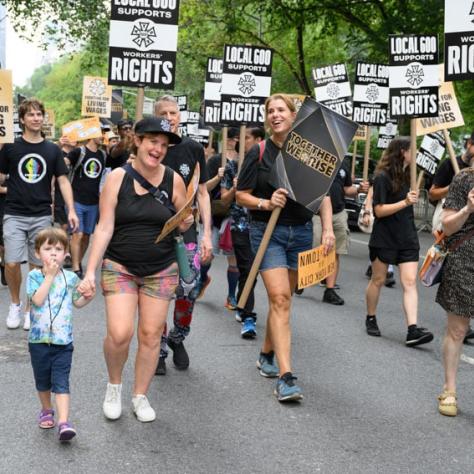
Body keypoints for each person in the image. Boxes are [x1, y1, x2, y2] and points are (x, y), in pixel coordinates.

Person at [80, 117, 193, 422]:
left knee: (151, 334)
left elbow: (185, 218)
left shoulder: (173, 180)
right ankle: (114, 386)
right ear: (139, 141)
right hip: (120, 266)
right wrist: (89, 272)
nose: (158, 149)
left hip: (162, 268)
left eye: (164, 145)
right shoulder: (117, 177)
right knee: (120, 333)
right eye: (153, 142)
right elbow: (104, 227)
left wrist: (187, 221)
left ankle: (139, 396)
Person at [236, 93, 335, 402]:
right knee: (279, 298)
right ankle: (286, 376)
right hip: (267, 232)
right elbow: (241, 195)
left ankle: (266, 353)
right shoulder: (259, 152)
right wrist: (266, 202)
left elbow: (325, 196)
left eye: (281, 110)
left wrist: (328, 231)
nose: (275, 114)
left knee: (284, 302)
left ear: (294, 117)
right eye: (270, 110)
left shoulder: (308, 153)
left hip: (302, 233)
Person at [0, 98, 79, 331]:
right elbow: (1, 176)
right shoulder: (11, 148)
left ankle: (29, 309)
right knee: (12, 262)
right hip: (14, 212)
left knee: (37, 265)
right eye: (31, 114)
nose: (36, 118)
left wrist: (71, 209)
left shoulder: (52, 149)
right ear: (22, 119)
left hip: (42, 214)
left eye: (39, 114)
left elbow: (63, 181)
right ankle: (14, 304)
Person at [154, 95, 212, 374]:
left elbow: (202, 193)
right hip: (155, 234)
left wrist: (208, 235)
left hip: (187, 233)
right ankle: (159, 349)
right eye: (163, 113)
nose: (169, 116)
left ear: (180, 115)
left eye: (173, 112)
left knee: (188, 288)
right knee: (158, 292)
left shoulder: (192, 148)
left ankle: (178, 337)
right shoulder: (152, 148)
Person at [364, 137, 433, 346]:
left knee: (410, 282)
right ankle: (371, 317)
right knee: (378, 280)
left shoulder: (410, 176)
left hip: (408, 237)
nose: (417, 154)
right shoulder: (382, 177)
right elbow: (379, 211)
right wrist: (405, 202)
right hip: (385, 237)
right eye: (414, 150)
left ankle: (412, 329)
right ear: (403, 151)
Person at [27, 227, 92, 441]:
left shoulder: (71, 278)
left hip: (63, 341)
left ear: (66, 254)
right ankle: (46, 410)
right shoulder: (34, 276)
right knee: (43, 380)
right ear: (38, 253)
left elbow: (77, 302)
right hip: (38, 341)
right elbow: (37, 300)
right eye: (48, 248)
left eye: (58, 249)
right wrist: (50, 277)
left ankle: (64, 422)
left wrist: (87, 297)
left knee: (62, 381)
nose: (53, 253)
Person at [429, 132, 474, 343]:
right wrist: (458, 189)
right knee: (457, 329)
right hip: (451, 219)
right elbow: (433, 193)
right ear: (469, 145)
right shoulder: (452, 166)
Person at [436, 167, 474, 416]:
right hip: (464, 261)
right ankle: (449, 389)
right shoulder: (464, 179)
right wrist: (468, 209)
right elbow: (447, 226)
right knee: (458, 329)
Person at [221, 127, 265, 338]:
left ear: (258, 140)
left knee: (253, 271)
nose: (243, 141)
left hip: (263, 225)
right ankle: (249, 316)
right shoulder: (232, 167)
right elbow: (223, 200)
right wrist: (235, 189)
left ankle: (242, 299)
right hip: (240, 225)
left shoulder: (265, 165)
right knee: (247, 268)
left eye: (247, 137)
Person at [313, 160, 369, 305]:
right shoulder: (318, 155)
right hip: (317, 213)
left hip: (338, 213)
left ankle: (329, 290)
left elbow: (347, 188)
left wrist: (358, 189)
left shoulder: (344, 161)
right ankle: (301, 278)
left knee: (335, 252)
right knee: (314, 250)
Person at [198, 127, 240, 311]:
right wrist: (218, 176)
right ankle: (202, 279)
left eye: (239, 138)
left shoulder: (245, 162)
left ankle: (232, 295)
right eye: (233, 138)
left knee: (234, 258)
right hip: (215, 215)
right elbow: (204, 188)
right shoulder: (216, 160)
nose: (235, 142)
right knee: (207, 256)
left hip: (236, 216)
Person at [68, 136, 107, 278]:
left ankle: (77, 260)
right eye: (100, 132)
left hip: (94, 202)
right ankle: (75, 267)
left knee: (86, 236)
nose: (103, 135)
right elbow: (63, 163)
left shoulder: (103, 154)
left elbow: (104, 175)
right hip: (76, 199)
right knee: (77, 234)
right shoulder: (79, 151)